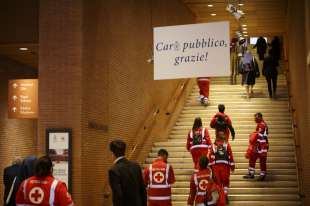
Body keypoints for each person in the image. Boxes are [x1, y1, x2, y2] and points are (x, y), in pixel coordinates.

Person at [108, 140, 147, 206]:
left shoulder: (113, 170)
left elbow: (118, 195)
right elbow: (142, 190)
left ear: (112, 153)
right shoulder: (136, 166)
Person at [209, 131, 235, 204]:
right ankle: (225, 194)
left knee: (218, 183)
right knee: (226, 182)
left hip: (216, 167)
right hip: (225, 166)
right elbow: (230, 156)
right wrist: (232, 166)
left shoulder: (214, 146)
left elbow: (210, 157)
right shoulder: (227, 145)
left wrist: (211, 168)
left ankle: (221, 198)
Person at [244, 113, 269, 181]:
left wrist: (255, 146)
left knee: (257, 159)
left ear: (260, 117)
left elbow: (259, 136)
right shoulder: (263, 124)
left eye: (256, 118)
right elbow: (264, 136)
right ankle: (259, 174)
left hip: (260, 146)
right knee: (259, 160)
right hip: (263, 145)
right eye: (255, 118)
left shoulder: (262, 125)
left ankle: (254, 174)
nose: (255, 119)